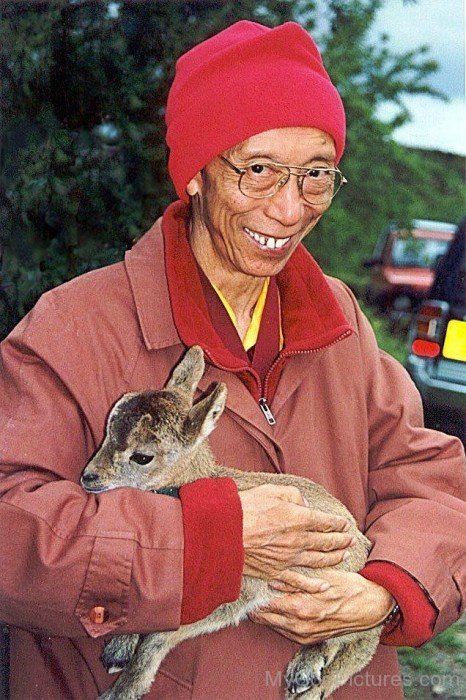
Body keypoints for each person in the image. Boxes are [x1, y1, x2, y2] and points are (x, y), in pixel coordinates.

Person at [0, 20, 465, 700]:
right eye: (257, 170)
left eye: (315, 176)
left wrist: (386, 589)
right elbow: (13, 528)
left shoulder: (338, 321)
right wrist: (210, 540)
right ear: (194, 174)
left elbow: (431, 480)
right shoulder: (71, 328)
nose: (287, 207)